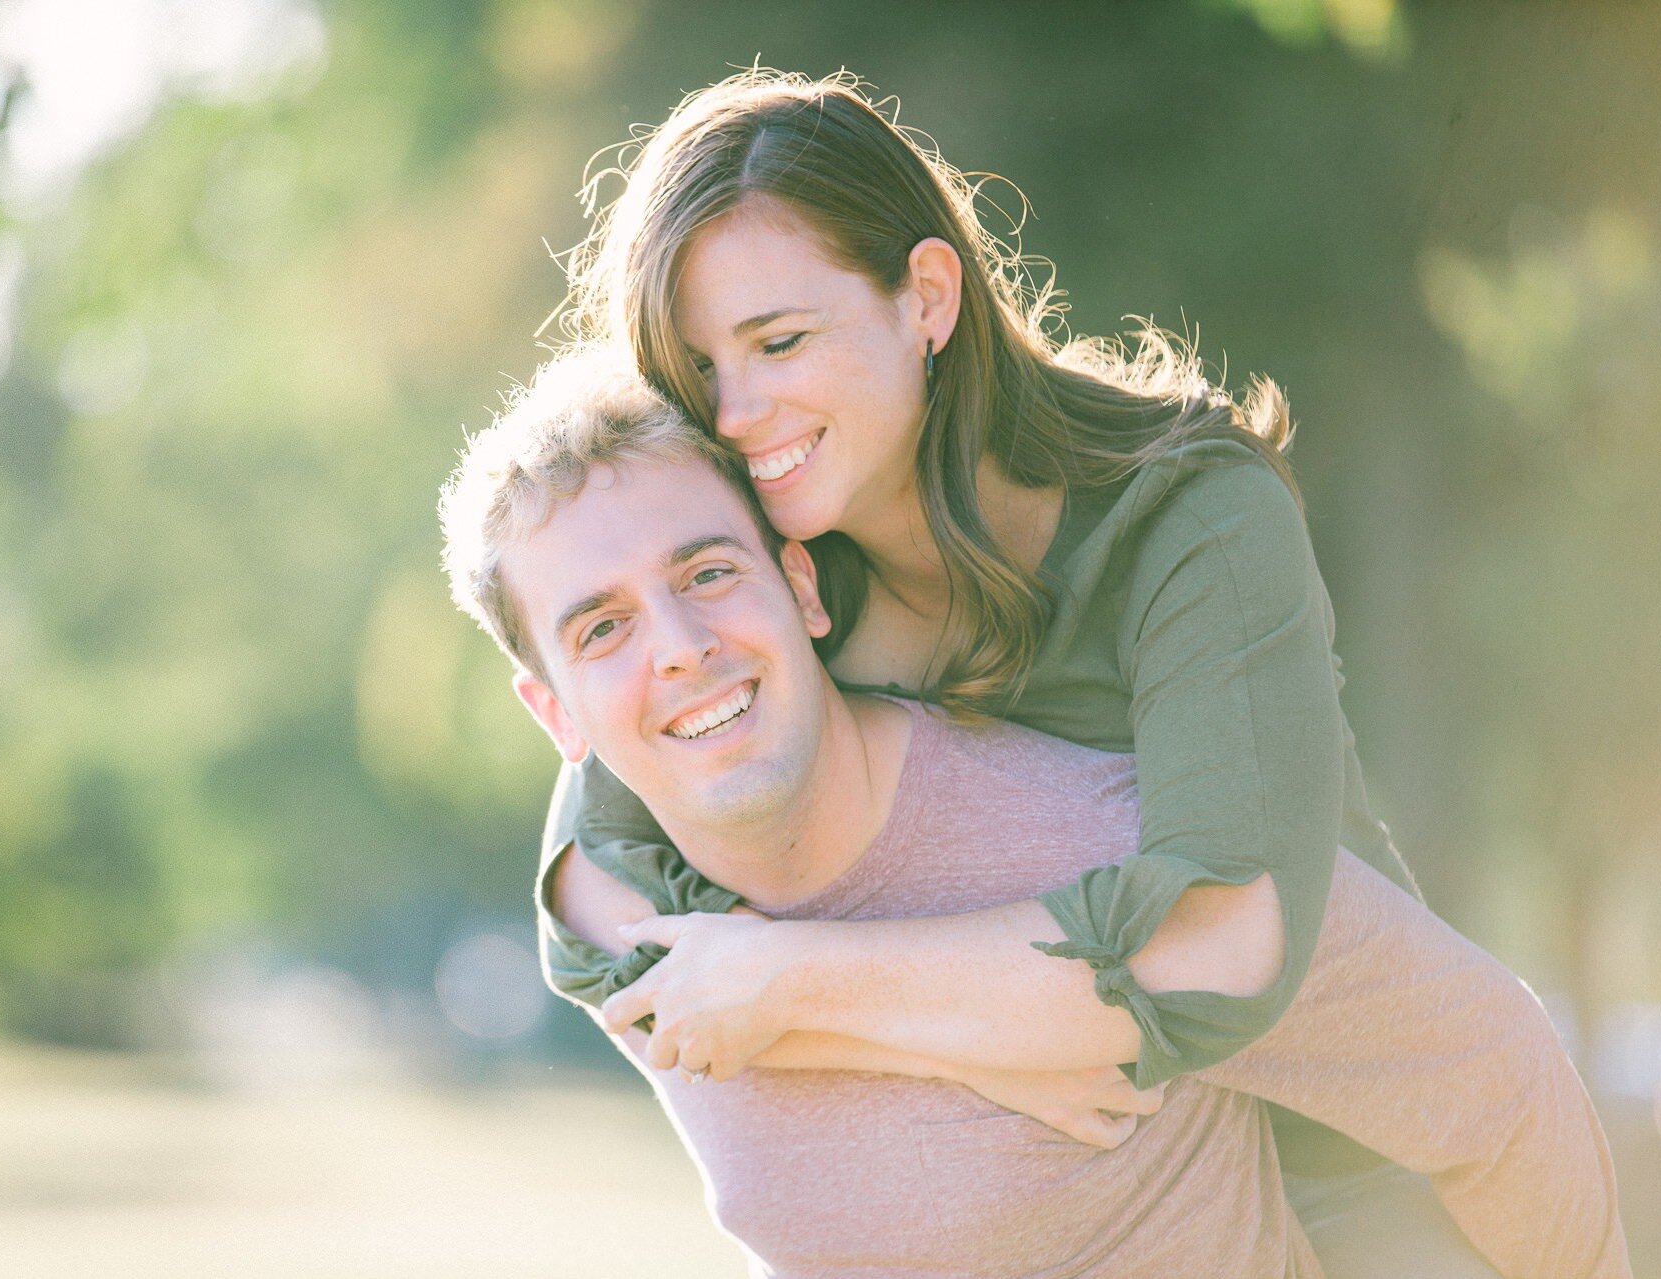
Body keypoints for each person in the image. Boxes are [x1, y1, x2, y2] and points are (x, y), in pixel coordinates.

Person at [539, 68, 1561, 1272]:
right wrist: (955, 1044)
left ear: (926, 297)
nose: (740, 412)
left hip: (1338, 1164)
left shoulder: (1188, 515)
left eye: (779, 340)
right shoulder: (775, 571)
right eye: (698, 370)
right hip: (1078, 1188)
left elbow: (1219, 946)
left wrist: (790, 979)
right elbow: (600, 902)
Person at [435, 350, 1627, 1278]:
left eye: (707, 574)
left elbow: (1496, 1067)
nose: (682, 650)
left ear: (799, 585)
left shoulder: (1101, 843)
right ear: (557, 716)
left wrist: (843, 989)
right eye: (604, 628)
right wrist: (945, 1031)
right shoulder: (641, 925)